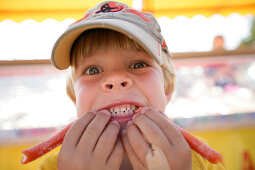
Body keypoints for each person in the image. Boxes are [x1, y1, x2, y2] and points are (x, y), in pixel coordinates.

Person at [39, 1, 225, 169]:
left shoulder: (201, 162)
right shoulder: (52, 166)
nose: (116, 78)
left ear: (166, 88)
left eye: (138, 65)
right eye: (93, 70)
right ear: (74, 98)